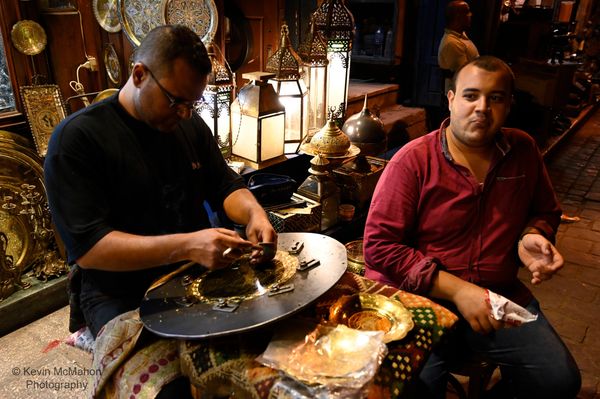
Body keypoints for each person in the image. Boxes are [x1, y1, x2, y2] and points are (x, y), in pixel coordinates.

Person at [44, 25, 276, 397]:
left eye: (192, 103)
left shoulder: (185, 124)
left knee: (275, 345)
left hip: (194, 274)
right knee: (172, 390)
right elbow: (90, 250)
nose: (185, 113)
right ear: (139, 74)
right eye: (175, 100)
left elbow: (223, 184)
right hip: (121, 292)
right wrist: (187, 246)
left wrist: (254, 214)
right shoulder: (78, 139)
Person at [363, 56, 581, 399]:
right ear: (450, 99)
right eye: (471, 95)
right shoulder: (412, 161)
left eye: (495, 98)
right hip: (420, 302)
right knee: (416, 390)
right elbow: (380, 246)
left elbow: (545, 210)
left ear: (509, 105)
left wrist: (532, 235)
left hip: (497, 297)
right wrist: (459, 291)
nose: (482, 108)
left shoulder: (523, 151)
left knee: (558, 380)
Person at [438, 1, 480, 95]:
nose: (471, 15)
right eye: (467, 12)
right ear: (458, 16)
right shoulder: (452, 43)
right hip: (460, 94)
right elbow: (464, 74)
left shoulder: (460, 35)